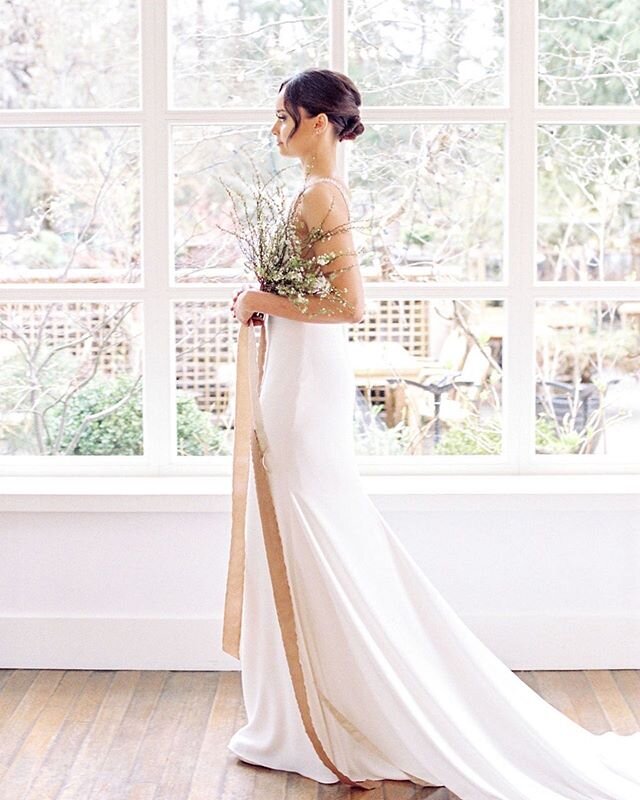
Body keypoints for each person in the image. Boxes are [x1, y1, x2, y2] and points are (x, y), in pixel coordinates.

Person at [224, 68, 640, 798]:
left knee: (308, 525)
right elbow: (318, 296)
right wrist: (275, 304)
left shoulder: (322, 194)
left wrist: (262, 297)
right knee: (296, 528)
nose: (275, 128)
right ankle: (309, 705)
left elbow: (350, 305)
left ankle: (339, 712)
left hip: (304, 389)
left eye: (284, 116)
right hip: (296, 374)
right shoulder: (312, 192)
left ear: (319, 122)